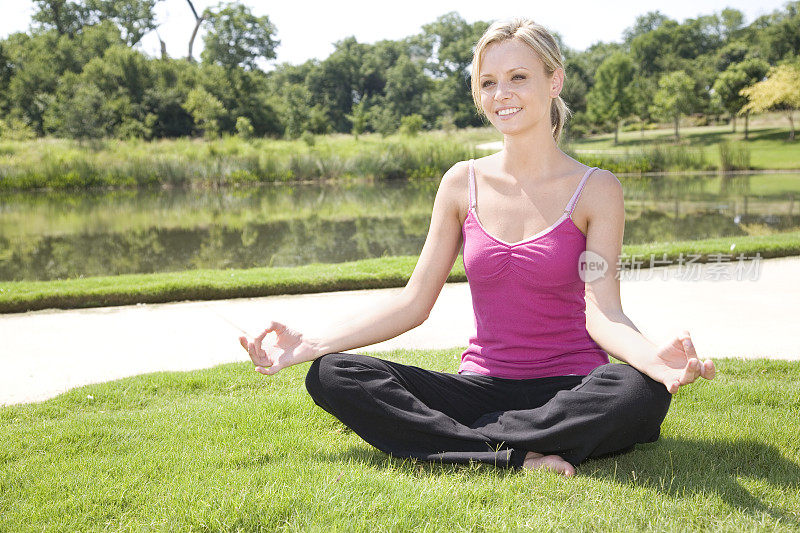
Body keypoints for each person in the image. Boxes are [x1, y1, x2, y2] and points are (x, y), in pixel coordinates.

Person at [238, 17, 716, 477]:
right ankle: (514, 450)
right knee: (333, 376)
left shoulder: (596, 189)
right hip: (480, 388)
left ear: (555, 81)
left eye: (518, 77)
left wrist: (651, 358)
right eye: (488, 82)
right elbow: (413, 301)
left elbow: (603, 309)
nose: (501, 94)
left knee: (638, 391)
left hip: (571, 387)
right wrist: (313, 343)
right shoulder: (459, 183)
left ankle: (465, 443)